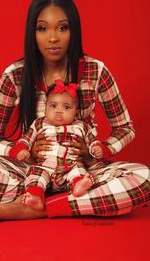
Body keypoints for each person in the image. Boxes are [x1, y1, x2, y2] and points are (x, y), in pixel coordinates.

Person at [0, 0, 150, 225]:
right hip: (30, 171)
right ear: (32, 33)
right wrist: (19, 151)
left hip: (82, 172)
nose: (53, 38)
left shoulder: (95, 71)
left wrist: (101, 150)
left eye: (62, 28)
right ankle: (61, 199)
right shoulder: (15, 75)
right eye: (43, 29)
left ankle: (40, 208)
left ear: (73, 31)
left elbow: (125, 127)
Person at [12, 79, 100, 210]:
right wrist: (22, 149)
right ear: (45, 107)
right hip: (44, 167)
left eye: (66, 107)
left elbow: (92, 140)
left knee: (79, 172)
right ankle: (37, 197)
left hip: (71, 167)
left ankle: (78, 186)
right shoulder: (39, 124)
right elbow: (26, 138)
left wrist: (96, 148)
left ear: (76, 112)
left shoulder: (82, 126)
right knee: (35, 177)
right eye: (53, 106)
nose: (59, 111)